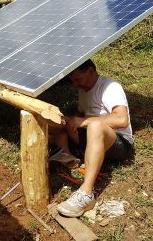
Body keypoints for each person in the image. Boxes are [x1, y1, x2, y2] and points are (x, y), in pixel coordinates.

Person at [52, 59, 133, 218]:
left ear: (90, 72)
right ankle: (66, 156)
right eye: (73, 80)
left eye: (78, 79)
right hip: (93, 137)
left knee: (95, 126)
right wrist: (72, 121)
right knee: (61, 121)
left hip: (119, 142)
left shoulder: (110, 87)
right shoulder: (84, 90)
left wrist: (84, 122)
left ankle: (86, 193)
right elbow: (84, 115)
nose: (75, 84)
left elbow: (121, 120)